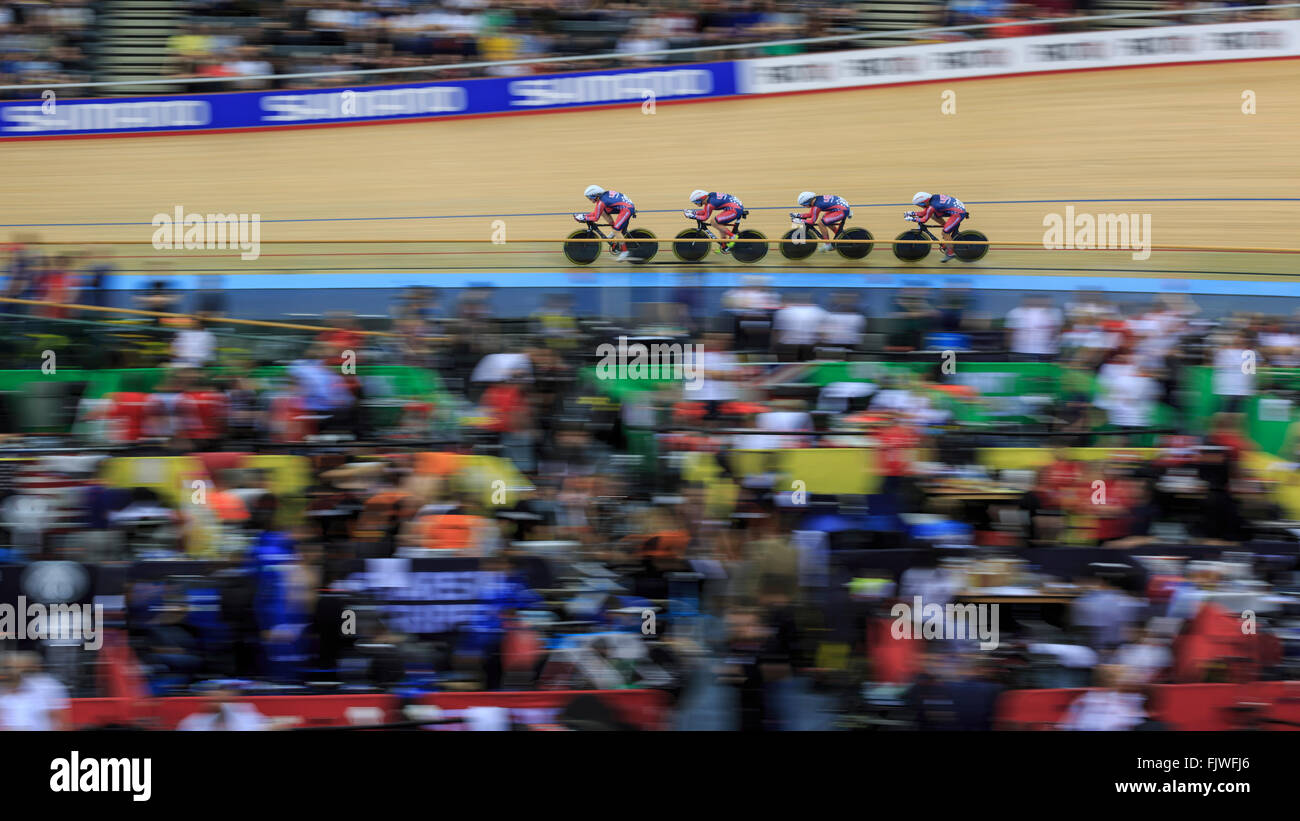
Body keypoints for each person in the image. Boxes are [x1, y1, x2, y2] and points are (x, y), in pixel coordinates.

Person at [574, 184, 637, 261]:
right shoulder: (604, 196)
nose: (589, 200)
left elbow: (595, 218)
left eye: (589, 198)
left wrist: (583, 217)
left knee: (616, 230)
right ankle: (616, 229)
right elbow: (597, 212)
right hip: (626, 205)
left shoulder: (601, 202)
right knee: (603, 211)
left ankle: (625, 252)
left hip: (627, 209)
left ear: (595, 196)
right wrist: (584, 216)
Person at [908, 191, 970, 262]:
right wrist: (912, 213)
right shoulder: (933, 199)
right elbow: (925, 212)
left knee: (945, 233)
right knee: (933, 215)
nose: (920, 206)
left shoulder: (932, 206)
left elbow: (924, 219)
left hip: (958, 213)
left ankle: (950, 253)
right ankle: (947, 227)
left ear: (924, 202)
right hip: (957, 208)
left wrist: (912, 219)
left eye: (919, 205)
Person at [683, 189, 744, 254]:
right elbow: (704, 212)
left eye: (695, 202)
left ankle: (733, 236)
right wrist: (693, 212)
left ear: (700, 199)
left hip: (735, 210)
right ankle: (724, 247)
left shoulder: (710, 204)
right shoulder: (709, 197)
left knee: (713, 222)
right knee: (719, 225)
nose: (695, 204)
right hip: (734, 207)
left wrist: (692, 216)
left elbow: (705, 217)